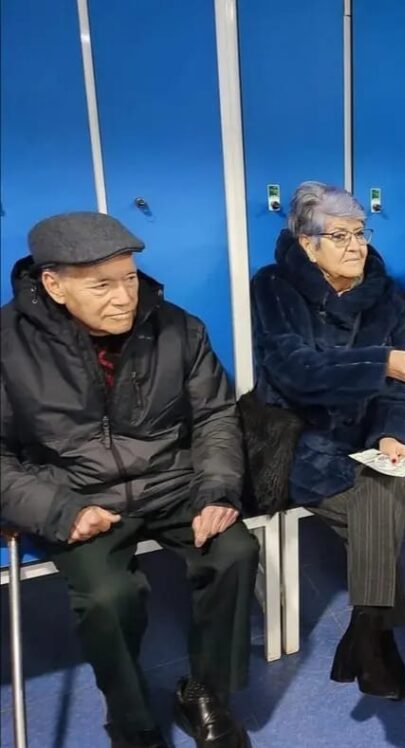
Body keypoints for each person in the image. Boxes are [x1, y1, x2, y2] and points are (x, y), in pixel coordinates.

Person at [0, 212, 256, 748]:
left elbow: (215, 415)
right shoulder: (7, 346)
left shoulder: (179, 328)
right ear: (54, 286)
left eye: (130, 278)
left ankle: (205, 691)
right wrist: (58, 511)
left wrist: (217, 489)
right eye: (102, 286)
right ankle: (131, 717)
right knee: (108, 596)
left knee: (234, 551)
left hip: (172, 480)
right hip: (75, 493)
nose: (124, 298)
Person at [250, 182, 405, 701]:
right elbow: (296, 371)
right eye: (340, 236)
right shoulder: (274, 286)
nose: (356, 246)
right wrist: (380, 363)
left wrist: (392, 433)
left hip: (366, 436)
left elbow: (401, 389)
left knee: (384, 488)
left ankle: (366, 631)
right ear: (308, 245)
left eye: (360, 233)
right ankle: (377, 636)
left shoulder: (384, 295)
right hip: (301, 437)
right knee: (385, 502)